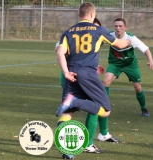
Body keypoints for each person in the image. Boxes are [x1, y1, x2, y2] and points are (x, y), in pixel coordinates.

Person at [55, 2, 131, 159]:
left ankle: (67, 151)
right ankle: (76, 102)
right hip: (88, 74)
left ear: (79, 15)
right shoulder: (98, 30)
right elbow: (120, 44)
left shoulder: (68, 32)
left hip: (71, 74)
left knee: (66, 114)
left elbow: (59, 52)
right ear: (92, 15)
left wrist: (66, 72)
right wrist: (131, 42)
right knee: (106, 110)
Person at [97, 18, 153, 142]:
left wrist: (150, 60)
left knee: (137, 87)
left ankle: (144, 108)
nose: (118, 28)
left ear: (125, 27)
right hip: (115, 64)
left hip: (130, 65)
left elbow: (146, 49)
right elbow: (99, 43)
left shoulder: (131, 38)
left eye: (120, 26)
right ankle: (105, 106)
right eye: (116, 26)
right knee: (106, 81)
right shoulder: (110, 35)